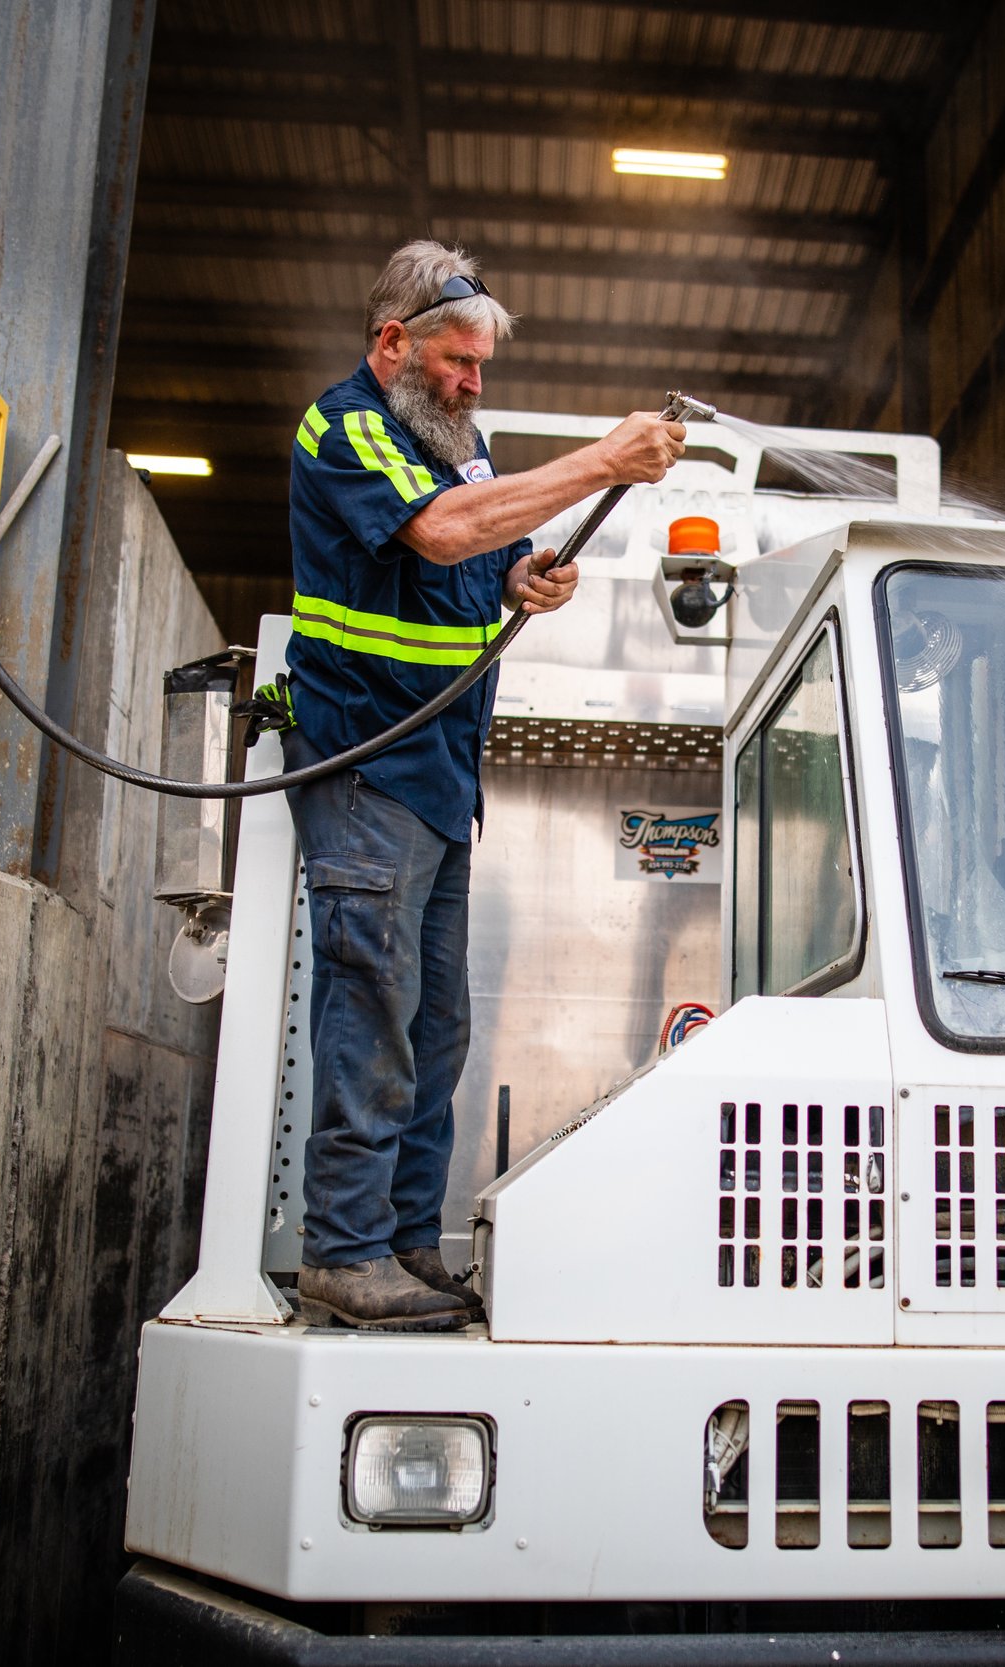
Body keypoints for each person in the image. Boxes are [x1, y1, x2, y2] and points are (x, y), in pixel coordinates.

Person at [283, 241, 687, 1331]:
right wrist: (601, 461)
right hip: (365, 759)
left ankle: (408, 1241)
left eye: (479, 367)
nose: (473, 383)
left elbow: (463, 554)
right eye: (457, 361)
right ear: (391, 343)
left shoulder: (452, 443)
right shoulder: (348, 427)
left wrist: (518, 578)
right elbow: (441, 529)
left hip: (437, 776)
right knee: (371, 1009)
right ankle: (344, 1249)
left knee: (435, 1023)